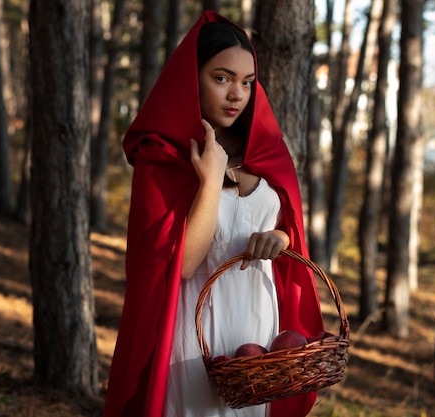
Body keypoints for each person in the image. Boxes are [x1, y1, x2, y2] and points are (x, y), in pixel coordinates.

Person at [103, 11, 324, 417]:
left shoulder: (268, 151)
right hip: (196, 327)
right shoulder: (164, 157)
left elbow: (281, 227)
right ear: (193, 78)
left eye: (247, 82)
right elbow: (182, 263)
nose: (237, 95)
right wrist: (208, 180)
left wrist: (279, 239)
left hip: (257, 323)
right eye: (221, 78)